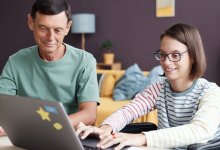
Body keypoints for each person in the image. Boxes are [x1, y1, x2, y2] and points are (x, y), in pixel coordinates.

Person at [76, 23, 220, 150]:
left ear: (193, 56)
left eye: (175, 55)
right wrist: (106, 129)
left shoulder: (211, 92)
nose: (167, 62)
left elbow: (200, 130)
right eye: (163, 54)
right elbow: (128, 111)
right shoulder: (159, 88)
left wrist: (141, 138)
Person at [0, 0, 99, 136]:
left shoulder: (85, 61)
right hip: (27, 136)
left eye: (57, 30)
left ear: (68, 27)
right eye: (43, 28)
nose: (50, 37)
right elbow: (2, 106)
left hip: (68, 137)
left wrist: (45, 127)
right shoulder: (15, 61)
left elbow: (89, 114)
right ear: (30, 22)